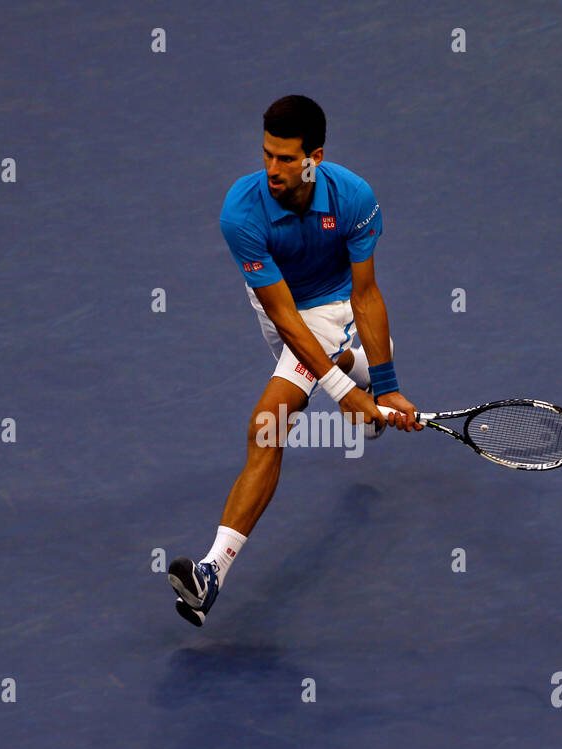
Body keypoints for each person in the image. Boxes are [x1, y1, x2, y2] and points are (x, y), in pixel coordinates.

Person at [170, 94, 421, 626]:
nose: (272, 170)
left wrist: (388, 380)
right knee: (319, 381)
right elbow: (284, 319)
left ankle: (211, 573)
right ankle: (363, 393)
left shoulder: (354, 197)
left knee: (268, 424)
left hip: (334, 308)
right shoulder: (240, 212)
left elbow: (367, 294)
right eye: (267, 155)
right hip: (280, 309)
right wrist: (348, 391)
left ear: (315, 157)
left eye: (286, 158)